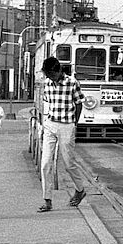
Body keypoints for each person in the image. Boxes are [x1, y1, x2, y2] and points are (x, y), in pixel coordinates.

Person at [37, 57, 87, 213]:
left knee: (68, 163)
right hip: (50, 124)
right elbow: (46, 102)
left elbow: (79, 104)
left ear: (58, 70)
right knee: (45, 163)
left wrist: (74, 124)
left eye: (51, 74)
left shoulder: (72, 82)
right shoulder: (47, 84)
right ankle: (47, 200)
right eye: (47, 75)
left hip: (67, 125)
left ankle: (80, 189)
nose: (49, 77)